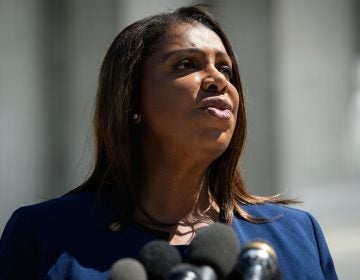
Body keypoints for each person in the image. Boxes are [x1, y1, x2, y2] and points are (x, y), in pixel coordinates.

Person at [0, 5, 337, 280]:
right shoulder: (44, 236)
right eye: (186, 64)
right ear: (132, 101)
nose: (218, 79)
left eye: (226, 70)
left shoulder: (297, 236)